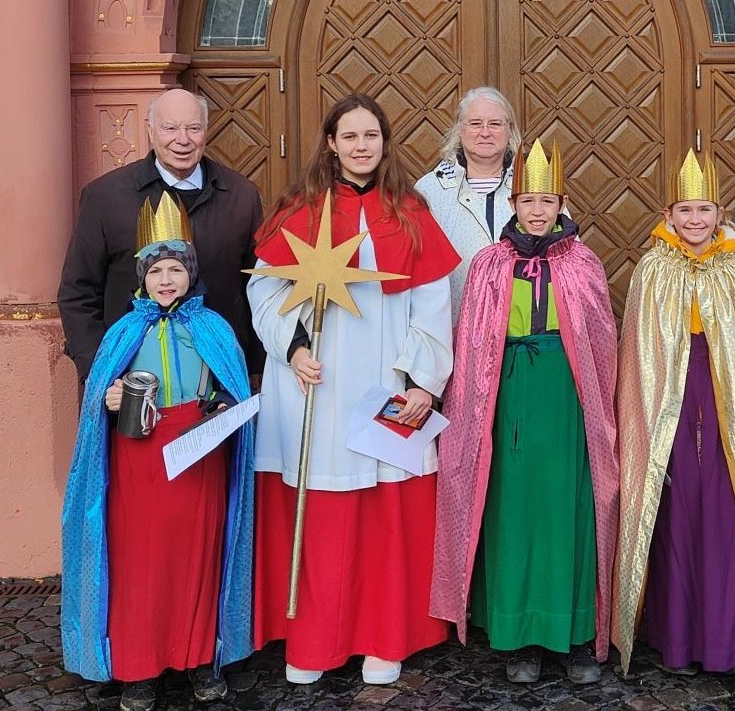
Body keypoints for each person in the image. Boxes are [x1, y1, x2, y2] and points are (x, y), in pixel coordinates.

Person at [248, 94, 459, 686]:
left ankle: (383, 639)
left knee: (384, 518)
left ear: (384, 143)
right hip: (315, 384)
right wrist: (292, 348)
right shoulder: (300, 209)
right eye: (350, 136)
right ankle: (315, 642)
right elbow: (263, 291)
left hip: (384, 384)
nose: (362, 146)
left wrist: (423, 380)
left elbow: (433, 302)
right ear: (332, 143)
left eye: (372, 135)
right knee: (320, 519)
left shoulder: (409, 210)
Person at [613, 151, 735, 679]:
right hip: (673, 406)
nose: (695, 220)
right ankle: (676, 637)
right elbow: (642, 353)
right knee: (677, 509)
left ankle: (731, 638)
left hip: (731, 408)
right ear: (669, 213)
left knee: (729, 511)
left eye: (704, 209)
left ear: (720, 212)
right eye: (685, 210)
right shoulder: (654, 268)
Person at [432, 139, 619, 685]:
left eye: (548, 201)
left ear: (562, 203)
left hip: (566, 399)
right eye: (527, 200)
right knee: (513, 512)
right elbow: (472, 343)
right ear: (513, 203)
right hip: (508, 400)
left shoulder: (582, 261)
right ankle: (519, 638)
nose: (538, 211)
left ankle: (576, 634)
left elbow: (599, 339)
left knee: (568, 509)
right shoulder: (491, 264)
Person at [60, 195, 256, 711]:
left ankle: (196, 659)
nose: (166, 279)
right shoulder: (124, 331)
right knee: (139, 564)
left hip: (198, 460)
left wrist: (221, 410)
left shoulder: (213, 329)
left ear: (190, 273)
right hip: (137, 460)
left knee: (197, 560)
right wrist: (109, 396)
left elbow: (229, 390)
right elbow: (100, 400)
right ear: (142, 276)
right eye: (156, 270)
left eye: (175, 268)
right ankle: (138, 668)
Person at [60, 88, 265, 381]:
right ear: (150, 130)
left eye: (193, 128)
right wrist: (102, 372)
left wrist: (256, 371)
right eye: (170, 128)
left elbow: (256, 288)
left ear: (205, 132)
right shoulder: (105, 197)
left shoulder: (241, 196)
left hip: (220, 383)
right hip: (130, 382)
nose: (182, 140)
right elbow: (77, 293)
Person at [414, 86, 522, 313]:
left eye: (495, 124)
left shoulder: (532, 185)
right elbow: (415, 263)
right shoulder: (431, 190)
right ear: (459, 130)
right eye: (475, 123)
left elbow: (565, 251)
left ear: (509, 130)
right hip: (452, 324)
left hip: (522, 332)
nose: (485, 132)